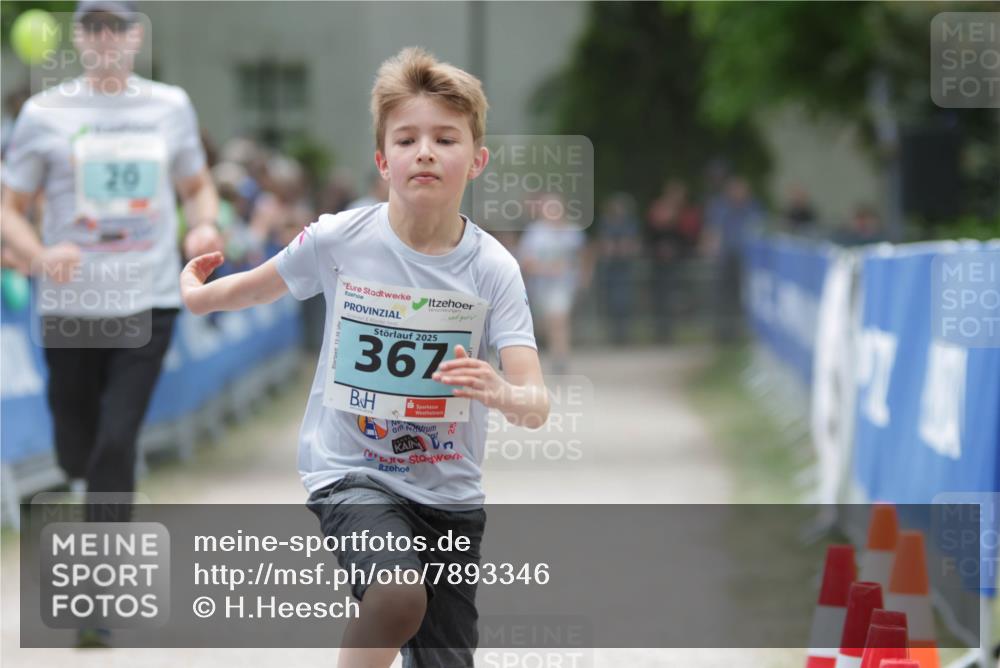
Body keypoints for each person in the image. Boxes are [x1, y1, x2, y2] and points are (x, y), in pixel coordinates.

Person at [179, 47, 549, 668]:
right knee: (398, 595)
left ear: (476, 160)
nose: (425, 152)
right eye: (406, 139)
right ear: (382, 160)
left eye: (445, 139)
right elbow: (261, 284)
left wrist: (503, 392)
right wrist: (199, 296)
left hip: (449, 495)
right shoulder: (340, 238)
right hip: (353, 472)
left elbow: (535, 403)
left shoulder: (493, 269)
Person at [1, 0, 221, 511]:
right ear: (78, 37)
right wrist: (39, 255)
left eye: (116, 27)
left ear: (136, 36)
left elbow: (196, 186)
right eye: (93, 26)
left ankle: (104, 550)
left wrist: (203, 225)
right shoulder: (43, 113)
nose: (105, 37)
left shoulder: (170, 106)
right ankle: (84, 479)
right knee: (76, 445)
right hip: (71, 302)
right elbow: (10, 208)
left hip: (149, 296)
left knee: (118, 437)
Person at [518, 193, 588, 373]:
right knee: (547, 323)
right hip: (540, 287)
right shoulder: (534, 233)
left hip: (564, 286)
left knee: (559, 319)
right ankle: (556, 351)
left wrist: (582, 276)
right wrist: (548, 269)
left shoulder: (573, 232)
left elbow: (583, 256)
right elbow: (526, 263)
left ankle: (560, 356)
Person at [701, 176, 762, 342]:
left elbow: (759, 229)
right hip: (724, 259)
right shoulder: (720, 208)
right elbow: (711, 230)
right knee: (722, 297)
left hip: (745, 260)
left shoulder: (752, 208)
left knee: (741, 297)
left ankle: (741, 333)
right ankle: (722, 332)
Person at [596, 193, 641, 344]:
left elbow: (629, 246)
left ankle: (623, 334)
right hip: (610, 269)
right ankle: (613, 334)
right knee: (610, 302)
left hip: (624, 269)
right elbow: (605, 245)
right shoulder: (606, 223)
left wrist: (619, 248)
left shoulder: (629, 224)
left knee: (624, 301)